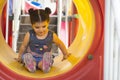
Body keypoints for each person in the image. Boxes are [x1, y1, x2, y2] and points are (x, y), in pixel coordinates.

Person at [15, 7, 70, 73]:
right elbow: (23, 46)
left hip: (44, 58)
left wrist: (65, 54)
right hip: (31, 57)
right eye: (37, 27)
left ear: (48, 23)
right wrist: (20, 57)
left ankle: (45, 65)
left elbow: (60, 44)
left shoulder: (51, 35)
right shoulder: (29, 34)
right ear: (32, 25)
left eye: (44, 26)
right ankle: (31, 65)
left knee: (42, 64)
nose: (41, 30)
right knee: (28, 60)